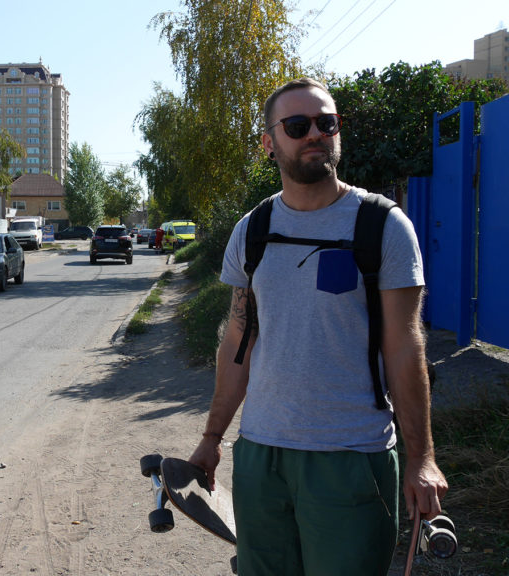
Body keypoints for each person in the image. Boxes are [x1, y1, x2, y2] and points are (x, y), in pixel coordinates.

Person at [189, 78, 448, 575]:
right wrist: (212, 436)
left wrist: (421, 459)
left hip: (351, 458)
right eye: (297, 125)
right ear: (270, 142)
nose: (315, 134)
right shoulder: (254, 229)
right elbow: (238, 341)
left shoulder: (383, 227)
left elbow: (405, 348)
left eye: (326, 123)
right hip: (262, 456)